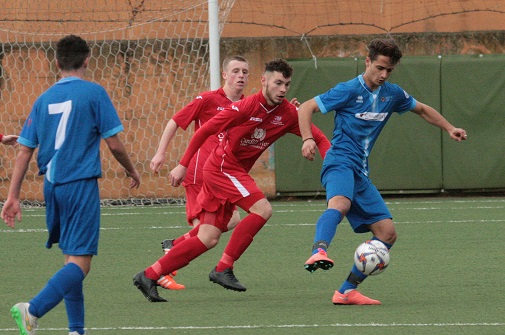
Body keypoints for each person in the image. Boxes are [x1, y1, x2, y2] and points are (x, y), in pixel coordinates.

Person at [133, 58, 331, 302]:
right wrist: (184, 164)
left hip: (231, 171)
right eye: (277, 83)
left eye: (286, 85)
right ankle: (223, 268)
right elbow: (205, 131)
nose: (282, 89)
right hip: (221, 167)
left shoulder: (289, 113)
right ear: (264, 81)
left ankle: (149, 274)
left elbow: (321, 139)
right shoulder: (245, 107)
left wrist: (324, 156)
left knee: (208, 237)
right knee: (263, 209)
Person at [298, 38, 467, 305]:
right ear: (367, 61)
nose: (383, 75)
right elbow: (306, 107)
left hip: (360, 172)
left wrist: (449, 128)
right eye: (379, 68)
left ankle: (346, 291)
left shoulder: (393, 94)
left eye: (389, 70)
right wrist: (308, 139)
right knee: (340, 204)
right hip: (339, 161)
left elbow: (421, 109)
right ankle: (319, 250)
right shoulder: (348, 90)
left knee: (387, 233)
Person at [1, 34, 141, 335]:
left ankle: (76, 331)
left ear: (57, 62)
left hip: (52, 186)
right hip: (80, 183)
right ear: (87, 60)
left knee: (70, 257)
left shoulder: (43, 98)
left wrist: (13, 196)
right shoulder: (93, 93)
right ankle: (31, 310)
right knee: (81, 262)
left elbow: (23, 151)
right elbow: (115, 144)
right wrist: (131, 169)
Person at [149, 56, 250, 290]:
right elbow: (175, 121)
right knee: (206, 232)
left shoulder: (246, 105)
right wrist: (160, 153)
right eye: (235, 71)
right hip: (199, 173)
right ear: (225, 75)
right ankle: (163, 269)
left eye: (245, 71)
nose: (241, 76)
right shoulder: (207, 99)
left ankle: (172, 247)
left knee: (230, 220)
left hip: (223, 176)